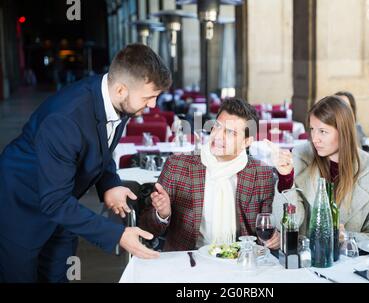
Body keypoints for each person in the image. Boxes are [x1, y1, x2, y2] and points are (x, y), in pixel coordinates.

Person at [0, 44, 171, 282]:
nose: (153, 105)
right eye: (149, 97)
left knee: (58, 276)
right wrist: (118, 234)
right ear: (121, 89)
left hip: (65, 207)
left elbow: (98, 148)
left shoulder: (116, 99)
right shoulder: (65, 120)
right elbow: (54, 202)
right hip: (21, 207)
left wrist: (109, 184)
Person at [139, 98, 280, 251]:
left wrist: (275, 238)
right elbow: (147, 228)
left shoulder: (262, 174)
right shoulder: (177, 165)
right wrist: (162, 214)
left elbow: (269, 226)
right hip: (190, 262)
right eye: (217, 126)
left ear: (246, 141)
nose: (218, 136)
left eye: (230, 132)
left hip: (241, 263)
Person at [272, 95, 369, 236]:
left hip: (353, 258)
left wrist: (347, 237)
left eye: (323, 131)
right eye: (312, 129)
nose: (314, 139)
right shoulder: (299, 158)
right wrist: (286, 179)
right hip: (304, 256)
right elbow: (285, 224)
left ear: (343, 132)